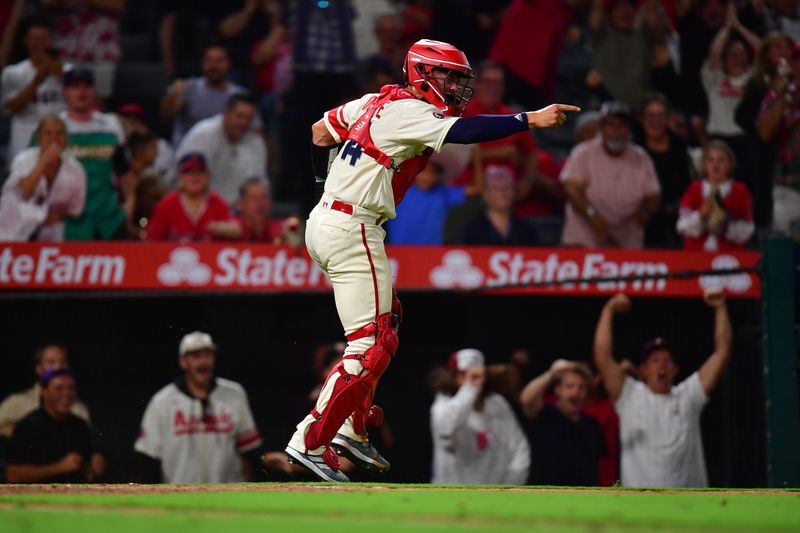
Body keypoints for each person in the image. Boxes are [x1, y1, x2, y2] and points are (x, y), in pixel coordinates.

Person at [284, 38, 578, 482]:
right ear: (421, 72)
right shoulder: (409, 110)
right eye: (448, 76)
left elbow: (319, 133)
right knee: (371, 342)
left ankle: (351, 430)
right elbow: (465, 132)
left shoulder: (374, 100)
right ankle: (311, 440)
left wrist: (327, 184)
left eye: (459, 78)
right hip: (352, 225)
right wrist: (528, 119)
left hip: (330, 219)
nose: (456, 86)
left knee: (387, 326)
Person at [593, 289, 733, 487]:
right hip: (641, 508)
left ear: (675, 369)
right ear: (643, 369)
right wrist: (608, 310)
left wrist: (720, 308)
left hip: (690, 508)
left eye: (668, 361)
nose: (662, 365)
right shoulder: (629, 396)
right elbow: (602, 356)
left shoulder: (689, 396)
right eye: (655, 360)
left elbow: (722, 354)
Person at [134, 331, 264, 483]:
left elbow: (250, 451)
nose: (203, 362)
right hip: (179, 497)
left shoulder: (234, 394)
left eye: (208, 355)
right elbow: (148, 458)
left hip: (228, 495)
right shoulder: (162, 401)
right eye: (196, 356)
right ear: (183, 362)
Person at [561, 100, 661, 248]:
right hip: (584, 240)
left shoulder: (641, 157)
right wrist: (591, 214)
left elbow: (653, 195)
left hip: (627, 242)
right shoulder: (584, 152)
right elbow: (571, 188)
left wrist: (644, 213)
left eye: (622, 125)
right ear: (602, 128)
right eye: (611, 124)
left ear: (629, 129)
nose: (616, 130)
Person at [430, 349, 530, 485]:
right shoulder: (443, 404)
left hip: (495, 498)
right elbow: (444, 430)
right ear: (453, 376)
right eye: (464, 374)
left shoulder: (498, 404)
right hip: (451, 496)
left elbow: (519, 450)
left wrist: (508, 490)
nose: (473, 380)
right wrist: (470, 388)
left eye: (477, 375)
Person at [58, 67, 132, 240]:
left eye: (87, 87)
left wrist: (128, 207)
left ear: (94, 92)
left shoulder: (111, 125)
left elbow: (125, 172)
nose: (82, 92)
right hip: (66, 222)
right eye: (75, 87)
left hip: (108, 219)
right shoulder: (54, 128)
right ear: (65, 92)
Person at [6, 368, 103, 483]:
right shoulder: (28, 426)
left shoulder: (80, 425)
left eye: (70, 388)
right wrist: (59, 468)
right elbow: (12, 474)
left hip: (75, 497)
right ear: (44, 391)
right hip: (37, 497)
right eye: (59, 388)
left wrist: (94, 467)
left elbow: (88, 466)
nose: (66, 393)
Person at [519, 359, 606, 486]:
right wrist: (552, 374)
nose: (576, 391)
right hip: (545, 497)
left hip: (582, 499)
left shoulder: (593, 426)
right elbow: (526, 399)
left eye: (581, 387)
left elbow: (597, 470)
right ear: (558, 390)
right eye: (570, 386)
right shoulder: (543, 414)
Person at [0, 115, 85, 241]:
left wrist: (57, 215)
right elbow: (24, 190)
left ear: (67, 138)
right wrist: (43, 163)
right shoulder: (23, 159)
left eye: (59, 133)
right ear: (39, 136)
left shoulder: (76, 169)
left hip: (50, 236)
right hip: (12, 233)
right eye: (48, 133)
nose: (54, 138)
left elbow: (76, 209)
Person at [161, 41, 262, 147]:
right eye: (208, 60)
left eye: (219, 61)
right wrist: (173, 95)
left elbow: (257, 131)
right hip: (188, 154)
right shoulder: (187, 87)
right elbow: (166, 114)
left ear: (229, 63)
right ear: (202, 63)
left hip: (225, 155)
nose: (213, 66)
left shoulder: (241, 95)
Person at [175, 93, 267, 205]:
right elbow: (185, 179)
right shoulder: (203, 134)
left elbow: (259, 183)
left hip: (240, 213)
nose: (244, 123)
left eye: (249, 119)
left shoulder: (256, 143)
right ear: (226, 113)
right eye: (239, 116)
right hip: (203, 207)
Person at [1, 15, 66, 168]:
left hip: (58, 140)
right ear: (25, 41)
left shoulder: (67, 71)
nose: (40, 44)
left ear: (51, 40)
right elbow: (9, 108)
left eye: (44, 39)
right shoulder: (13, 73)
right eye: (35, 39)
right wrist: (36, 81)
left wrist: (61, 74)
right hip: (24, 140)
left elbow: (87, 101)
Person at [633, 93, 693, 248]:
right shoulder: (634, 144)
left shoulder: (679, 145)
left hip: (671, 217)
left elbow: (686, 183)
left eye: (661, 115)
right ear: (642, 118)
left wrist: (678, 206)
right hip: (638, 215)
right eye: (651, 115)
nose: (655, 121)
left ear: (668, 118)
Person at [756, 41, 800, 239]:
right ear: (790, 64)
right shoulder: (778, 94)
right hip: (788, 183)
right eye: (798, 60)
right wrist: (781, 97)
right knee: (785, 249)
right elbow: (765, 133)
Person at [0, 343, 90, 439]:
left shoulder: (78, 408)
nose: (58, 367)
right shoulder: (17, 402)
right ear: (38, 368)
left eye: (63, 362)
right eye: (51, 362)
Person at [677, 140, 754, 250]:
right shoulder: (693, 189)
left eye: (721, 160)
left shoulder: (740, 190)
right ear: (704, 165)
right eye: (710, 160)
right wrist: (701, 216)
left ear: (730, 164)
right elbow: (682, 227)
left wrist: (725, 225)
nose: (715, 164)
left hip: (730, 256)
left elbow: (748, 230)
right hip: (696, 254)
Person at [43, 0, 125, 101]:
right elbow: (47, 3)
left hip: (101, 50)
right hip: (67, 48)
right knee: (65, 97)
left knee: (97, 98)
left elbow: (118, 4)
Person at [145, 152, 232, 242]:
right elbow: (151, 241)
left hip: (210, 255)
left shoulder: (218, 203)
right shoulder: (167, 205)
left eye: (200, 172)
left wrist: (222, 229)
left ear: (207, 176)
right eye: (189, 172)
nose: (194, 177)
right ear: (180, 176)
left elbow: (236, 234)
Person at [458, 165, 538, 246]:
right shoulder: (471, 229)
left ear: (514, 192)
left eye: (507, 187)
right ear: (485, 194)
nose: (502, 192)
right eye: (495, 188)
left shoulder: (526, 230)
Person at [209, 177, 301, 243]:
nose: (260, 204)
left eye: (264, 197)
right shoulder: (227, 229)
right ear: (240, 204)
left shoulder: (281, 229)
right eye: (253, 198)